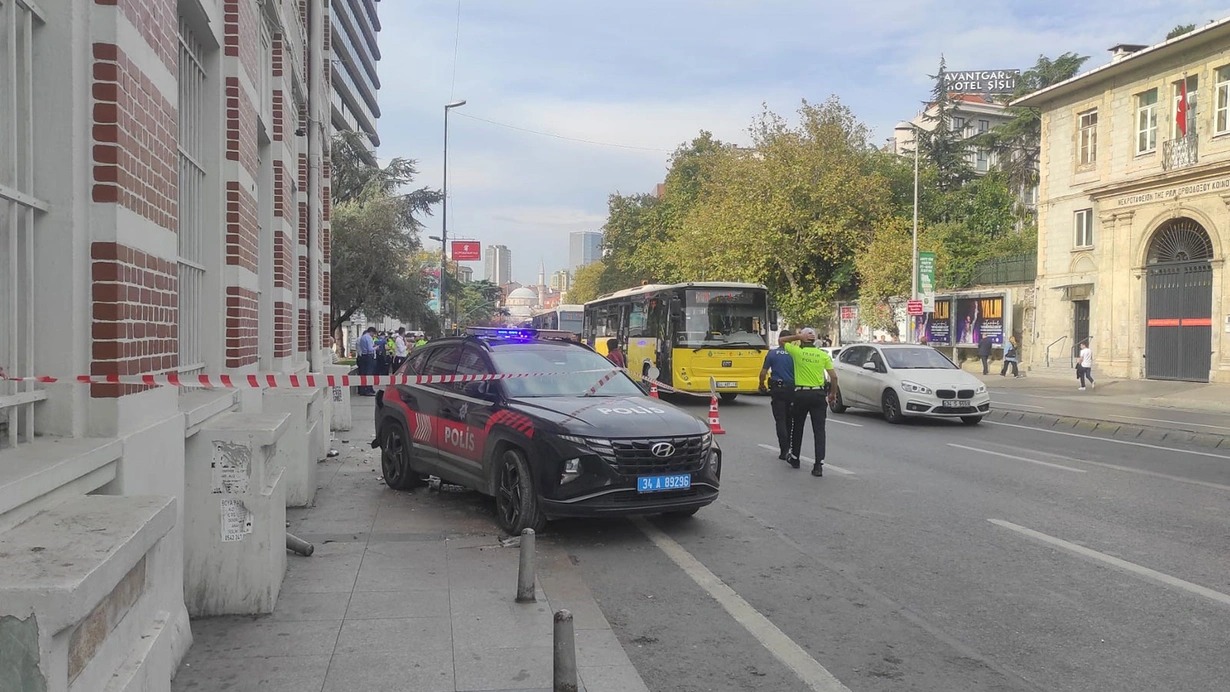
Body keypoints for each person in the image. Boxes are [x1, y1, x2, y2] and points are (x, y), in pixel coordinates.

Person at [777, 327, 839, 477]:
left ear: (803, 340)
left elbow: (781, 340)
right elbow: (834, 377)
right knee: (819, 430)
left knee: (798, 427)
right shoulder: (822, 354)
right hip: (818, 394)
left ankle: (795, 458)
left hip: (801, 394)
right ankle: (818, 465)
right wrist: (833, 394)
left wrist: (798, 336)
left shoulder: (797, 352)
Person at [758, 329, 796, 460]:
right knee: (790, 420)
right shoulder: (795, 354)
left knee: (780, 420)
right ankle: (790, 447)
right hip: (792, 390)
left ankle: (783, 449)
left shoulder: (772, 354)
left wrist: (761, 384)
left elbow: (763, 373)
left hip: (778, 390)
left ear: (780, 339)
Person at [356, 327, 378, 396]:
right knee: (369, 373)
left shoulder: (362, 337)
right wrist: (376, 347)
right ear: (371, 332)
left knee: (363, 373)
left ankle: (362, 390)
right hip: (369, 356)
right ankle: (368, 390)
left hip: (363, 356)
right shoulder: (368, 338)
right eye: (374, 333)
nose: (373, 335)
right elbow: (370, 349)